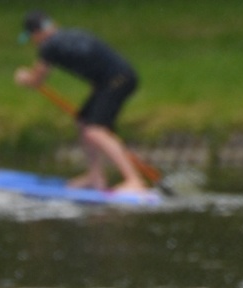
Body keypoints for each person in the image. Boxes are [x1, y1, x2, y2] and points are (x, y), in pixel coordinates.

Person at [15, 10, 149, 193]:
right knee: (83, 122)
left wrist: (24, 78)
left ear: (37, 33)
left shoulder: (49, 46)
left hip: (117, 80)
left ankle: (135, 182)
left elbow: (36, 80)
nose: (33, 41)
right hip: (112, 81)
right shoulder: (70, 35)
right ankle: (95, 178)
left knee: (96, 131)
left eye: (32, 37)